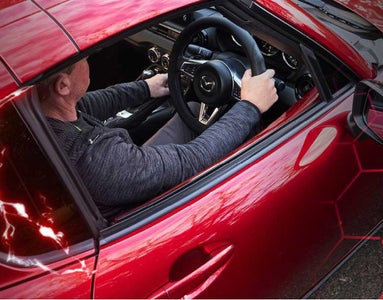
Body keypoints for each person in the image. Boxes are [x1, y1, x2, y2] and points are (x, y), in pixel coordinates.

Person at [38, 57, 277, 220]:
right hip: (135, 206)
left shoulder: (39, 113)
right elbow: (190, 160)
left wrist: (146, 88)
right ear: (63, 85)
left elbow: (87, 105)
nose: (89, 60)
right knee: (206, 118)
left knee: (192, 109)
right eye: (84, 60)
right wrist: (250, 106)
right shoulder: (97, 160)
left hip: (108, 181)